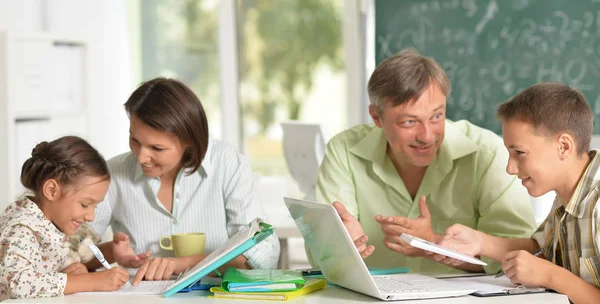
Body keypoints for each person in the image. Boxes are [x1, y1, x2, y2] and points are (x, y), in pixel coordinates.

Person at [315, 49, 537, 274]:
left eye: (436, 116)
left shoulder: (487, 153)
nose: (427, 136)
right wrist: (340, 247)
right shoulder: (344, 150)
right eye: (409, 122)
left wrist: (432, 243)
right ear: (376, 117)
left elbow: (522, 258)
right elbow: (324, 255)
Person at [89, 77, 280, 285]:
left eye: (157, 148)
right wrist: (111, 253)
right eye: (134, 140)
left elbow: (263, 254)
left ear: (189, 141)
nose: (141, 157)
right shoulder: (113, 173)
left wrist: (185, 263)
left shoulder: (225, 162)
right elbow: (66, 253)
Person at [433, 83, 600, 304]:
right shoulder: (565, 198)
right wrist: (480, 242)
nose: (510, 168)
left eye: (519, 152)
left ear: (563, 147)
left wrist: (550, 275)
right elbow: (540, 248)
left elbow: (548, 268)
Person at [0, 136, 129, 300]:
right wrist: (89, 281)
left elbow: (82, 256)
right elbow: (19, 284)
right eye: (85, 204)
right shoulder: (22, 228)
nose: (91, 216)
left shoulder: (56, 222)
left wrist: (110, 252)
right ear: (52, 190)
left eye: (95, 206)